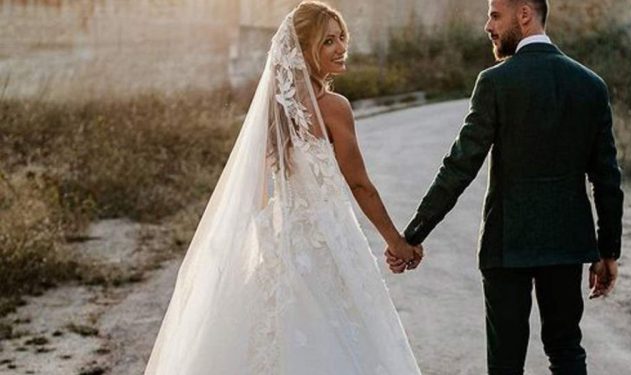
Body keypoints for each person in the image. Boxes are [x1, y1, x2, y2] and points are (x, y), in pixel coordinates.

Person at [143, 2, 423, 374]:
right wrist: (395, 241)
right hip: (328, 239)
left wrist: (267, 237)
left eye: (342, 38)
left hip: (285, 237)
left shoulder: (274, 111)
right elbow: (359, 184)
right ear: (305, 50)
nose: (341, 48)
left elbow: (257, 190)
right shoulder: (334, 107)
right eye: (328, 42)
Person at [386, 0, 624, 374]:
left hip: (505, 244)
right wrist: (608, 250)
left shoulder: (496, 82)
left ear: (524, 14)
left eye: (495, 14)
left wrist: (414, 234)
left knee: (505, 362)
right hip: (566, 244)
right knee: (566, 351)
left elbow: (460, 166)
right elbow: (607, 177)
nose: (487, 25)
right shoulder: (590, 85)